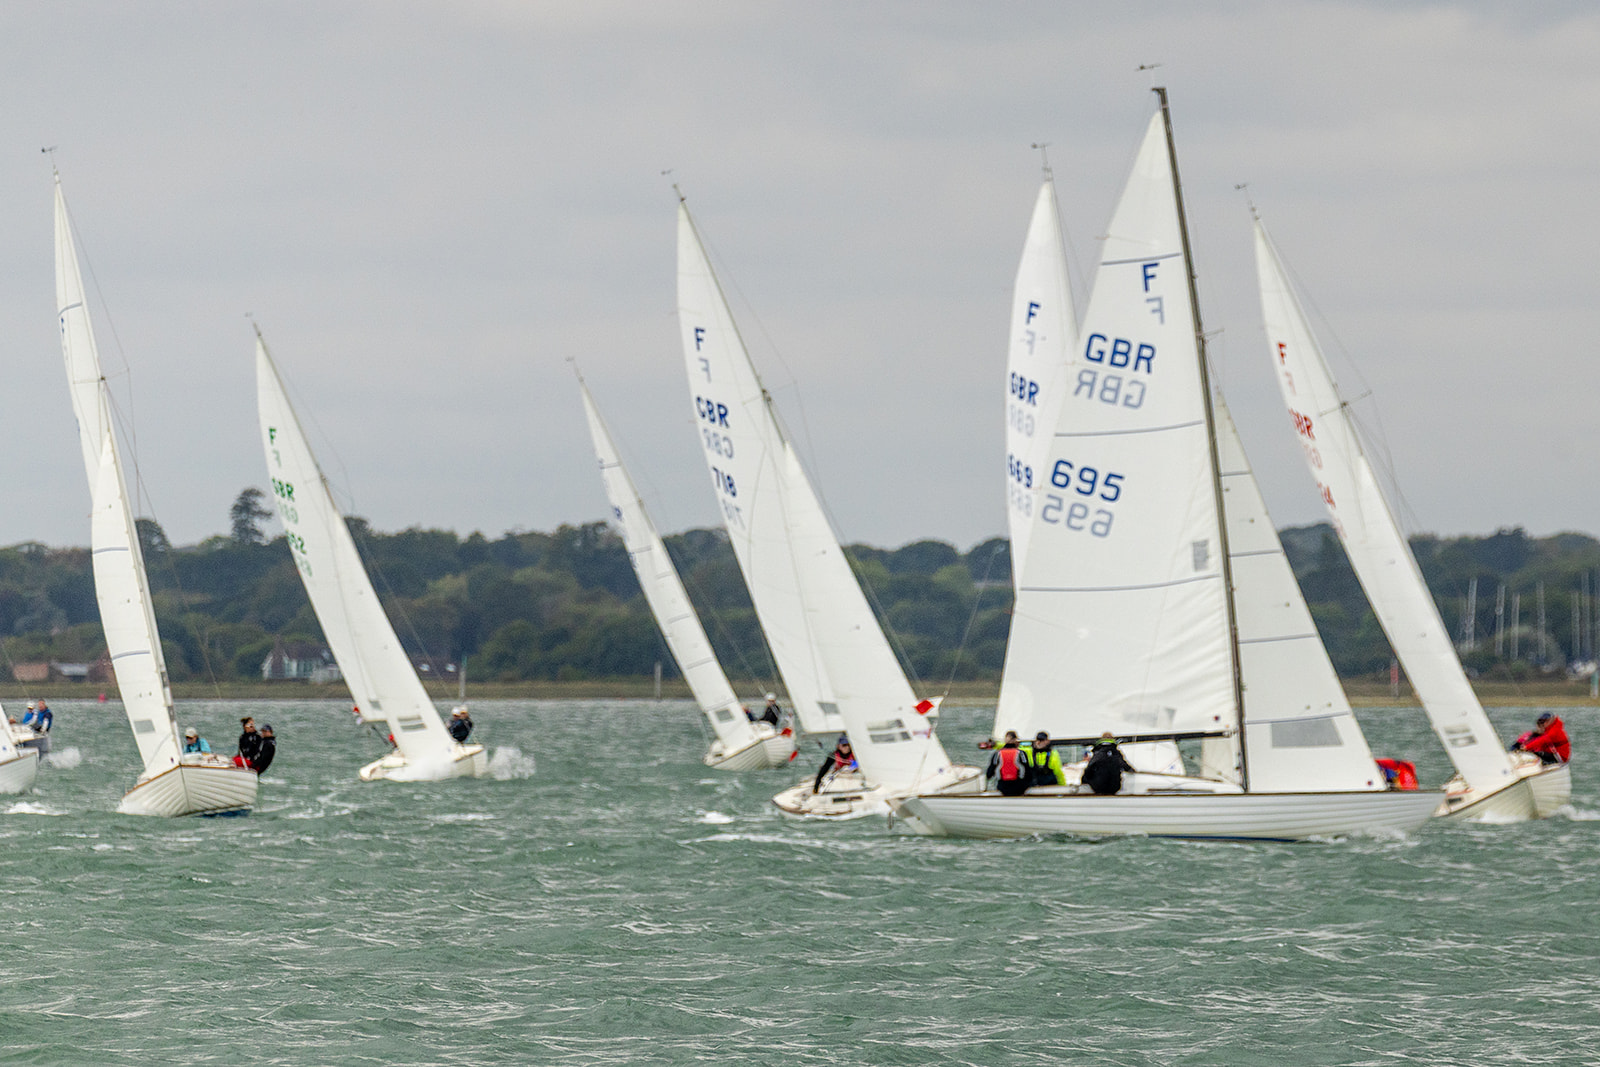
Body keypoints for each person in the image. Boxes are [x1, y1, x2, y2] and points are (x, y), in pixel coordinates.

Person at [986, 731, 1031, 796]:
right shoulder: (1021, 753)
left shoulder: (997, 754)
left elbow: (989, 773)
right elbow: (1028, 772)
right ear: (1015, 740)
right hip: (1019, 787)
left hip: (1002, 787)